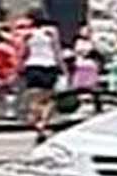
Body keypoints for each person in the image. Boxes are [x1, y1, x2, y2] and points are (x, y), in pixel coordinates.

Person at [21, 8, 66, 143]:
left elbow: (24, 52)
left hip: (32, 65)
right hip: (49, 65)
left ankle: (37, 123)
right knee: (50, 98)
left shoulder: (28, 34)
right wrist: (63, 68)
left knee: (34, 98)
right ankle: (43, 122)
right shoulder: (51, 31)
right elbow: (57, 50)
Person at [71, 25, 103, 114]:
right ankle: (81, 104)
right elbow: (77, 51)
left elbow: (97, 52)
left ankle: (95, 105)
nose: (85, 32)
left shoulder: (93, 42)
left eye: (87, 31)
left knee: (92, 87)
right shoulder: (77, 41)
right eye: (83, 30)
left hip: (91, 66)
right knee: (80, 87)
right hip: (80, 65)